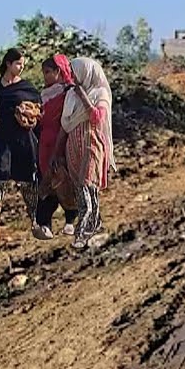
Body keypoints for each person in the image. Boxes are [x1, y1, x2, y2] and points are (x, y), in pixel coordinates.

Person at [54, 57, 115, 250]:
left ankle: (84, 231)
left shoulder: (100, 93)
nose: (71, 76)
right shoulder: (71, 94)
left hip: (92, 143)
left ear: (86, 72)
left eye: (74, 72)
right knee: (81, 188)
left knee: (87, 183)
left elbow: (97, 117)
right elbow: (65, 124)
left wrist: (83, 97)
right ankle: (94, 222)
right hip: (73, 145)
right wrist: (57, 151)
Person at [0, 48, 41, 238]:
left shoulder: (27, 88)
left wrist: (29, 114)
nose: (21, 67)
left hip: (25, 139)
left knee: (28, 181)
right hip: (4, 138)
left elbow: (38, 110)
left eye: (23, 64)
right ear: (8, 64)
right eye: (18, 64)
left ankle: (36, 219)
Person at [33, 55, 78, 240]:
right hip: (45, 143)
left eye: (48, 72)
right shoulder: (44, 95)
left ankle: (70, 222)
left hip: (63, 142)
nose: (45, 76)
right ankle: (44, 224)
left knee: (64, 182)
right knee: (46, 182)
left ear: (58, 72)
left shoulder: (70, 94)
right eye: (44, 72)